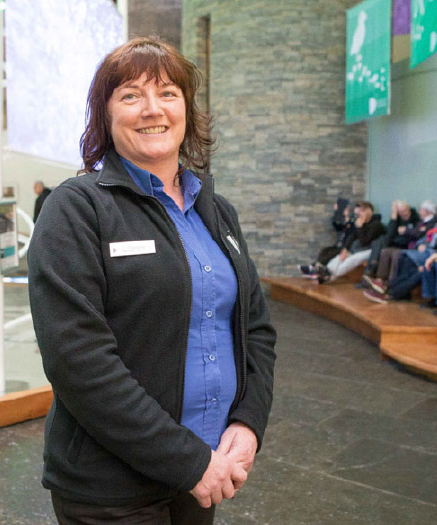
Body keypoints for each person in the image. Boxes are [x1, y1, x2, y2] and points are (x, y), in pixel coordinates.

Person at [27, 37, 277, 524]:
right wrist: (187, 461)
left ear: (186, 110)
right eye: (130, 95)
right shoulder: (76, 209)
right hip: (111, 487)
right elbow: (77, 358)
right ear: (106, 116)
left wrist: (248, 423)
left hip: (204, 470)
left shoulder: (217, 212)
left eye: (167, 93)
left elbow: (257, 331)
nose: (151, 109)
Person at [363, 201, 437, 303]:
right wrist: (420, 244)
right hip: (426, 255)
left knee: (417, 271)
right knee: (406, 262)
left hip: (433, 257)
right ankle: (387, 288)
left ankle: (389, 292)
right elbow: (424, 238)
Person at [315, 201, 386, 283]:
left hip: (372, 250)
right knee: (341, 256)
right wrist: (345, 249)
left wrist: (360, 227)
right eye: (360, 211)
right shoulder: (362, 223)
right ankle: (327, 271)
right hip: (360, 249)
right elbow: (352, 237)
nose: (360, 213)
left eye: (363, 210)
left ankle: (329, 275)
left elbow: (364, 241)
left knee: (353, 259)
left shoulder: (377, 225)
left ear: (369, 211)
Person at [362, 200, 419, 282]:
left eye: (406, 210)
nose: (405, 213)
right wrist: (394, 217)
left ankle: (372, 271)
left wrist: (406, 230)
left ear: (409, 208)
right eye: (401, 212)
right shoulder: (397, 219)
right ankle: (371, 269)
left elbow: (417, 233)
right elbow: (389, 233)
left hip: (403, 244)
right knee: (377, 242)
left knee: (382, 249)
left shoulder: (415, 218)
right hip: (393, 242)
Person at [299, 199, 354, 277]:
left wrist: (347, 216)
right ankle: (313, 267)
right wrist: (337, 211)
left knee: (330, 254)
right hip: (338, 246)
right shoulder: (343, 221)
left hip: (345, 248)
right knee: (324, 251)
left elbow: (351, 231)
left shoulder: (352, 222)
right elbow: (336, 224)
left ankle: (313, 269)